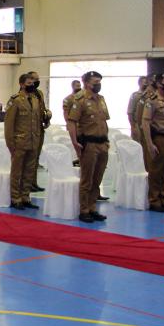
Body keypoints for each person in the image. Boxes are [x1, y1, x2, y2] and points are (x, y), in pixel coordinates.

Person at [67, 71, 109, 223]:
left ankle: (92, 208)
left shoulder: (101, 99)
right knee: (87, 179)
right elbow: (72, 122)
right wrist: (74, 142)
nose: (98, 84)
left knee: (97, 178)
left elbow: (104, 121)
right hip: (89, 144)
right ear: (86, 83)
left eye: (99, 81)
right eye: (95, 81)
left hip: (102, 143)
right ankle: (84, 210)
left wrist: (107, 140)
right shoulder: (80, 100)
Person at [4, 74, 43, 210]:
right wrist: (10, 144)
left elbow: (37, 122)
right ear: (21, 84)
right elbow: (9, 125)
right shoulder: (15, 100)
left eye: (33, 82)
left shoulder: (36, 99)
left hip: (33, 141)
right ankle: (16, 198)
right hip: (19, 142)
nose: (32, 85)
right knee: (17, 171)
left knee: (29, 171)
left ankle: (26, 196)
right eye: (28, 82)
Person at [142, 74, 164, 213]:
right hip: (158, 138)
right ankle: (154, 200)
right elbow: (145, 122)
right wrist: (150, 144)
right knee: (156, 171)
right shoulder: (152, 101)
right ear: (158, 84)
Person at [26, 71, 51, 192]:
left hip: (39, 129)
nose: (37, 81)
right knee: (29, 159)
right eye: (34, 79)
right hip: (30, 130)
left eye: (38, 79)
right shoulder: (25, 94)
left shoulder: (39, 93)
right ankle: (27, 183)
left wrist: (47, 115)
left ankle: (33, 182)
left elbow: (42, 109)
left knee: (36, 158)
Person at [127, 76, 149, 143]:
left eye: (146, 82)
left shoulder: (151, 95)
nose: (145, 84)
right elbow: (130, 112)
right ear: (139, 83)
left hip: (148, 124)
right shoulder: (135, 95)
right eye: (144, 82)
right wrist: (133, 127)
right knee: (138, 145)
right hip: (137, 124)